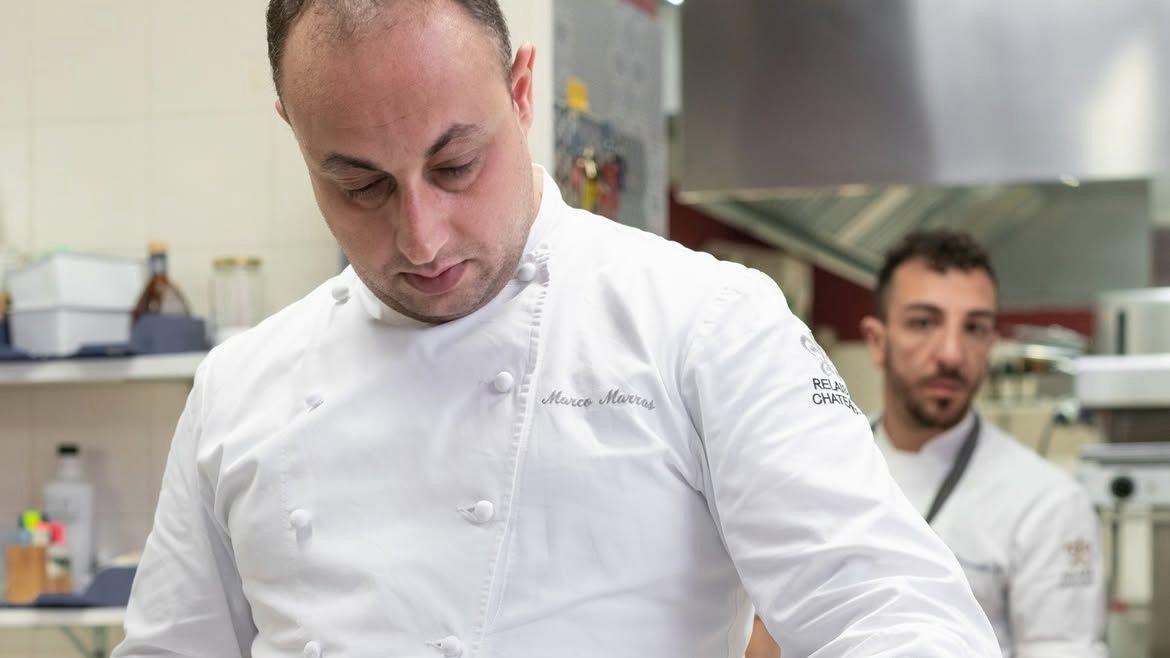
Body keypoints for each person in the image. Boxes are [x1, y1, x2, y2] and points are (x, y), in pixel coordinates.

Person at [112, 2, 1000, 656]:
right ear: (294, 133)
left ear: (522, 90)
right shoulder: (238, 389)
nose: (421, 237)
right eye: (360, 185)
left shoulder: (703, 323)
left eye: (455, 164)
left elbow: (891, 611)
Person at [750, 230, 1107, 657]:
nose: (952, 354)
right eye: (923, 322)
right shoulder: (815, 469)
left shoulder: (1046, 504)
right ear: (877, 343)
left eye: (974, 328)